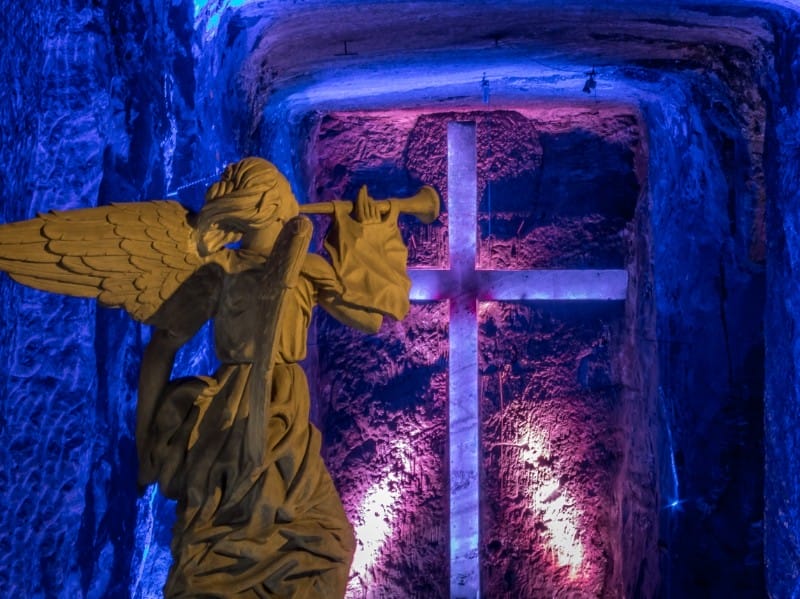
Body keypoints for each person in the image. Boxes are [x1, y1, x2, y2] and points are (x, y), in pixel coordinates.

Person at [135, 157, 411, 598]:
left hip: (283, 418)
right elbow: (162, 346)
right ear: (270, 205)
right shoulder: (222, 273)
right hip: (238, 419)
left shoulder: (302, 268)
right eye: (285, 196)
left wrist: (365, 233)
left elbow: (371, 317)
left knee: (315, 543)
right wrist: (146, 444)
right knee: (266, 539)